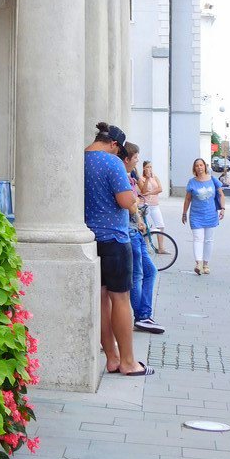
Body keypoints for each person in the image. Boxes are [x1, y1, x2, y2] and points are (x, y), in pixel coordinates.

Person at [84, 122, 154, 376]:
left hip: (90, 239)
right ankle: (128, 362)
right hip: (114, 238)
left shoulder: (80, 159)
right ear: (113, 144)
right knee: (120, 299)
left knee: (102, 301)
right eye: (119, 150)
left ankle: (112, 358)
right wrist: (134, 196)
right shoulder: (111, 162)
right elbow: (125, 201)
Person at [122, 144, 164, 335]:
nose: (137, 161)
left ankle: (144, 315)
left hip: (136, 231)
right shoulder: (122, 177)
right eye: (136, 158)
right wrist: (138, 214)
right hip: (130, 231)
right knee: (137, 275)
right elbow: (131, 203)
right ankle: (141, 317)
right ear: (127, 159)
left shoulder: (131, 176)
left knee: (150, 271)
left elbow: (140, 195)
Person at [181, 157, 224, 274]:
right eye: (197, 166)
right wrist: (184, 213)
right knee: (197, 238)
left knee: (209, 240)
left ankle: (206, 264)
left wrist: (223, 209)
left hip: (211, 214)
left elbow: (221, 195)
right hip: (196, 215)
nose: (199, 167)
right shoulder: (192, 182)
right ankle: (198, 263)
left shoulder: (213, 179)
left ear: (205, 166)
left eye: (201, 165)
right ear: (194, 168)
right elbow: (187, 199)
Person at [137, 160, 168, 253]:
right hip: (144, 205)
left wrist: (150, 193)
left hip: (155, 205)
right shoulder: (141, 178)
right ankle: (146, 248)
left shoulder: (155, 177)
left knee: (160, 225)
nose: (149, 169)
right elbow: (143, 190)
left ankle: (161, 248)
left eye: (150, 167)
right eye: (147, 167)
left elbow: (160, 189)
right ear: (144, 168)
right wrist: (147, 179)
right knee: (146, 227)